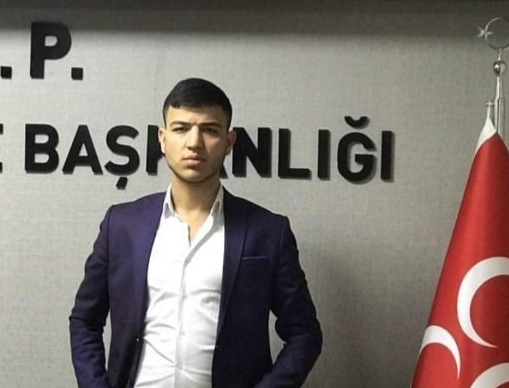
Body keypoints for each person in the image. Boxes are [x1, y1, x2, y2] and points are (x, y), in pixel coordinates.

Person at [69, 78, 322, 388]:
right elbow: (85, 321)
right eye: (181, 128)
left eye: (210, 130)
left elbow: (304, 333)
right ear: (162, 139)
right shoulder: (121, 225)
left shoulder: (268, 232)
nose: (194, 143)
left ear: (229, 142)